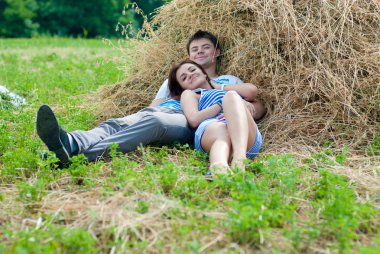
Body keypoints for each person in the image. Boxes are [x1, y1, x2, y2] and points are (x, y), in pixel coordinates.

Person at [36, 30, 265, 166]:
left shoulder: (228, 80)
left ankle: (76, 157)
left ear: (217, 52)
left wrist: (236, 103)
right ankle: (72, 142)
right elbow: (155, 106)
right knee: (120, 123)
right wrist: (140, 115)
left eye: (206, 47)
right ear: (189, 56)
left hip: (188, 119)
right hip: (168, 110)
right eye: (194, 50)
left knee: (155, 122)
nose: (200, 52)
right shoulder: (174, 82)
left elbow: (253, 102)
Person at [168, 59, 262, 175]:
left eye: (192, 70)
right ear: (182, 87)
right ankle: (219, 166)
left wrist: (238, 104)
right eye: (184, 78)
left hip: (246, 138)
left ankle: (239, 157)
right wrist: (221, 104)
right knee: (222, 129)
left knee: (231, 96)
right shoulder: (190, 94)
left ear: (204, 73)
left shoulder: (226, 89)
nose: (190, 75)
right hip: (212, 130)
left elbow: (252, 92)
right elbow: (194, 119)